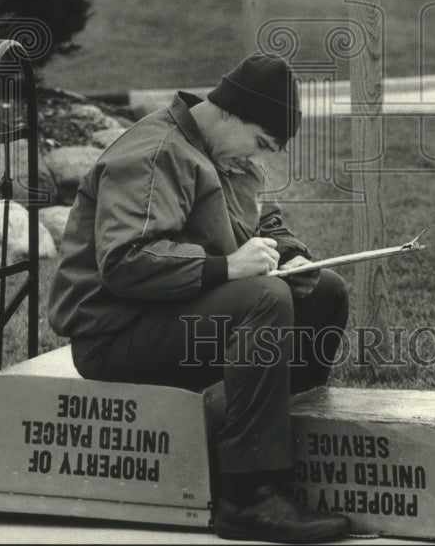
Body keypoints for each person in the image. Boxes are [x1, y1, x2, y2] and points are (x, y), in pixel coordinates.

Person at [48, 53, 351, 544]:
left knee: (324, 291)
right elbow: (124, 261)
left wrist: (292, 256)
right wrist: (226, 267)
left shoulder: (223, 153)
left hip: (170, 320)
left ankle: (280, 455)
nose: (260, 158)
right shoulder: (155, 152)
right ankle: (249, 495)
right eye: (261, 143)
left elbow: (264, 222)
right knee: (263, 300)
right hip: (116, 337)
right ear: (229, 112)